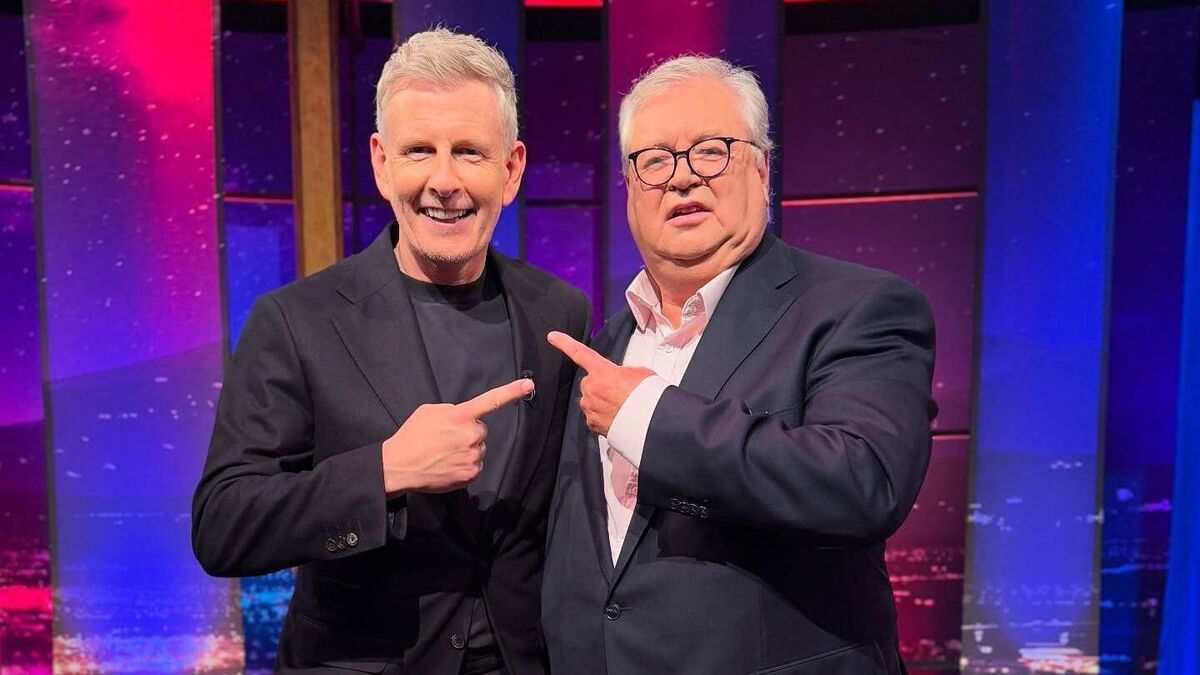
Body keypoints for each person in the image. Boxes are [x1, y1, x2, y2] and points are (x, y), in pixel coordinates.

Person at [192, 28, 590, 675]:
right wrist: (384, 471)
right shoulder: (296, 320)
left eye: (469, 152)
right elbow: (223, 525)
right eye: (418, 151)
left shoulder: (560, 314)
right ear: (381, 163)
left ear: (511, 169)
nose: (444, 181)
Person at [542, 55, 936, 675]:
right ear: (629, 187)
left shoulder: (860, 307)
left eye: (710, 152)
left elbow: (864, 482)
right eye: (655, 160)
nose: (681, 179)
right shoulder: (602, 345)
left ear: (762, 167)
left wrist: (648, 418)